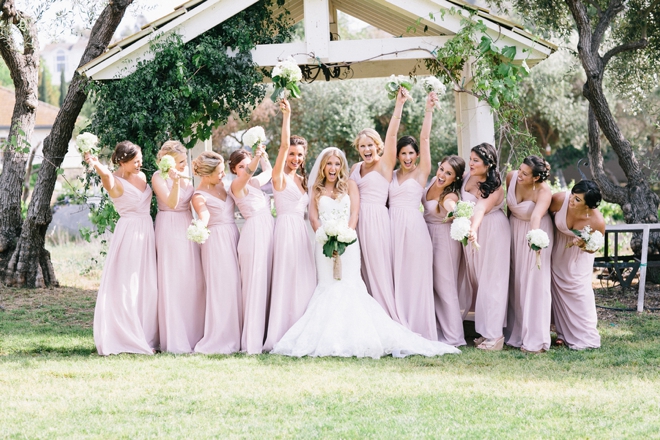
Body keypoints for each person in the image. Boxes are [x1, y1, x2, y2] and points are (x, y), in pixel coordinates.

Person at [271, 148, 460, 358]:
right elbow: (314, 219)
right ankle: (331, 336)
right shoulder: (315, 189)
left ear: (341, 167)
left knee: (351, 287)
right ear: (323, 167)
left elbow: (355, 213)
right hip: (324, 245)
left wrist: (345, 235)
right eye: (329, 164)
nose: (333, 168)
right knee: (328, 286)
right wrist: (326, 237)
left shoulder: (350, 185)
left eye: (336, 164)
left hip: (349, 243)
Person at [84, 141, 158, 355]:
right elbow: (106, 175)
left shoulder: (143, 177)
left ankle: (145, 334)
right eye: (135, 161)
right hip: (130, 234)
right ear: (122, 162)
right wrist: (95, 163)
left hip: (147, 231)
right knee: (128, 284)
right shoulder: (113, 181)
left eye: (140, 160)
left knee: (147, 285)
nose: (140, 164)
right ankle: (126, 336)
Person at [263, 99, 316, 351]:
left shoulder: (303, 180)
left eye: (299, 155)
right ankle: (282, 332)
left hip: (302, 233)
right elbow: (283, 144)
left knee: (304, 279)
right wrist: (287, 116)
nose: (295, 158)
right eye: (292, 153)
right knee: (287, 278)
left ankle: (304, 329)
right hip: (284, 230)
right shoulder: (279, 177)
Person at [388, 90, 438, 341]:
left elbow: (425, 138)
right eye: (403, 153)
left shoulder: (422, 172)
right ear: (397, 155)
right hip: (391, 229)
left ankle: (419, 329)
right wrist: (399, 105)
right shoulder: (390, 174)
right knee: (396, 279)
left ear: (417, 155)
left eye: (411, 153)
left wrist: (428, 109)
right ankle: (399, 327)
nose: (408, 158)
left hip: (414, 230)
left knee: (415, 279)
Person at [152, 140, 205, 354]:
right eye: (180, 162)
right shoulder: (158, 177)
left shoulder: (185, 177)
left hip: (186, 225)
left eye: (185, 161)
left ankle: (194, 335)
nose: (184, 165)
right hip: (169, 226)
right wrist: (175, 182)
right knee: (172, 280)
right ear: (168, 162)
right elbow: (172, 203)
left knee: (191, 280)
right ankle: (176, 339)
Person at [191, 152, 242, 354]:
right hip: (216, 242)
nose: (223, 176)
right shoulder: (199, 196)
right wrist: (199, 227)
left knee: (237, 285)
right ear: (206, 174)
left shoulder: (223, 186)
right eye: (219, 172)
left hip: (233, 236)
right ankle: (221, 336)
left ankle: (238, 334)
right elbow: (204, 215)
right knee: (222, 288)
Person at [461, 143, 510, 351]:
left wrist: (472, 229)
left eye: (476, 160)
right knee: (481, 282)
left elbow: (480, 208)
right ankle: (486, 330)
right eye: (470, 159)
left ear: (488, 164)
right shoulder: (466, 177)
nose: (471, 163)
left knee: (493, 282)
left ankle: (495, 336)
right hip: (475, 233)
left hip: (492, 232)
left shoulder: (495, 188)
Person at [504, 156, 553, 353]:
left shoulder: (544, 191)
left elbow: (535, 216)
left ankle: (537, 339)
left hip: (537, 231)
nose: (519, 175)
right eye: (520, 170)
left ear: (536, 177)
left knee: (535, 283)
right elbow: (509, 209)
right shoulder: (511, 177)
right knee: (516, 282)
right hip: (514, 230)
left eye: (525, 174)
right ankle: (516, 333)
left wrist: (534, 240)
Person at [348, 126, 398, 320]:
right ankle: (368, 318)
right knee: (360, 269)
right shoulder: (355, 168)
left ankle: (387, 317)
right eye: (362, 146)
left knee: (379, 268)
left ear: (378, 146)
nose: (366, 149)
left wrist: (399, 103)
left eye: (370, 145)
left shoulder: (385, 164)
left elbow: (392, 134)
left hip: (376, 220)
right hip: (356, 221)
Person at [229, 146, 274, 354]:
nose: (246, 169)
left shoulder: (254, 182)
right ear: (234, 169)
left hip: (268, 229)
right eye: (241, 166)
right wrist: (255, 159)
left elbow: (270, 173)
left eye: (247, 164)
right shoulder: (237, 185)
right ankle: (252, 340)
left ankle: (266, 333)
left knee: (267, 280)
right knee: (254, 284)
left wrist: (263, 157)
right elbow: (249, 173)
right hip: (254, 233)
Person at [549, 180, 604, 350]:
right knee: (556, 293)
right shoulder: (560, 199)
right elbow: (544, 215)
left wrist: (583, 245)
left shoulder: (597, 222)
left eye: (578, 200)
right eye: (573, 194)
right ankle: (562, 334)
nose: (571, 200)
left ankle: (586, 336)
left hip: (578, 259)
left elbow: (594, 247)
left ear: (589, 206)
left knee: (579, 295)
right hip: (557, 251)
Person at [423, 156, 467, 347]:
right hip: (426, 236)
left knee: (445, 286)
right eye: (442, 169)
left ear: (455, 178)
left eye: (448, 173)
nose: (442, 175)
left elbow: (451, 207)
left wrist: (454, 212)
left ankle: (454, 336)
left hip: (444, 240)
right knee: (432, 285)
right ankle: (437, 328)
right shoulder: (433, 181)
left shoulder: (451, 196)